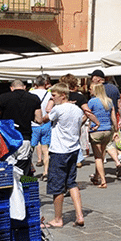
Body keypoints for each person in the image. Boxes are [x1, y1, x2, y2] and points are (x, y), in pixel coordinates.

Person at [44, 83, 86, 228]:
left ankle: (58, 219)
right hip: (73, 149)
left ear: (63, 95)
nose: (52, 98)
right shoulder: (77, 109)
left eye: (54, 95)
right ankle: (79, 215)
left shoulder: (58, 109)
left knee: (57, 186)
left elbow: (45, 118)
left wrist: (50, 105)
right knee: (71, 183)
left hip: (59, 151)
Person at [0, 79, 43, 174]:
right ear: (24, 87)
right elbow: (39, 119)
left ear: (11, 88)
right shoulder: (34, 98)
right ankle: (22, 182)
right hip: (25, 136)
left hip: (8, 137)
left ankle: (11, 182)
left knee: (8, 165)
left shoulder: (3, 97)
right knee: (23, 165)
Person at [88, 83, 121, 188]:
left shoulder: (92, 101)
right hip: (108, 130)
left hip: (96, 131)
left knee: (98, 157)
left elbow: (87, 114)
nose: (90, 91)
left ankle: (103, 180)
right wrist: (116, 130)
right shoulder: (109, 101)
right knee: (101, 155)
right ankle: (96, 176)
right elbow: (113, 116)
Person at [29, 75, 52, 174]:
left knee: (30, 149)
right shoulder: (49, 94)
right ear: (45, 83)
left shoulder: (30, 94)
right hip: (46, 123)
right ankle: (46, 172)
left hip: (33, 124)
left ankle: (29, 169)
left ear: (35, 84)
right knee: (46, 149)